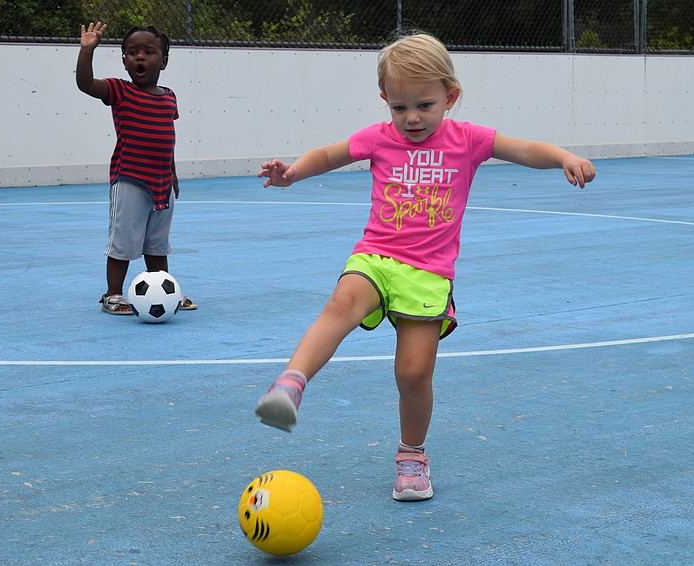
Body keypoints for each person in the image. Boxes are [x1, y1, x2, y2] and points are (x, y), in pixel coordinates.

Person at [254, 32, 595, 501]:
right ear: (385, 101)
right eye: (399, 107)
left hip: (429, 273)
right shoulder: (379, 137)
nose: (411, 118)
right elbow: (331, 154)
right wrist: (293, 172)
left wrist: (564, 157)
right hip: (376, 255)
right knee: (341, 304)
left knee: (413, 374)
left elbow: (524, 149)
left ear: (450, 97)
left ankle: (411, 456)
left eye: (424, 105)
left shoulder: (468, 139)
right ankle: (290, 383)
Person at [76, 22, 195, 314]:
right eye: (132, 52)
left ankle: (164, 289)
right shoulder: (119, 90)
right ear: (124, 61)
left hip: (161, 183)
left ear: (164, 61)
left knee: (157, 243)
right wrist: (86, 51)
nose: (139, 57)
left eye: (149, 52)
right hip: (130, 180)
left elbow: (168, 136)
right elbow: (85, 84)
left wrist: (173, 172)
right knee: (124, 240)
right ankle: (113, 294)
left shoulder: (169, 96)